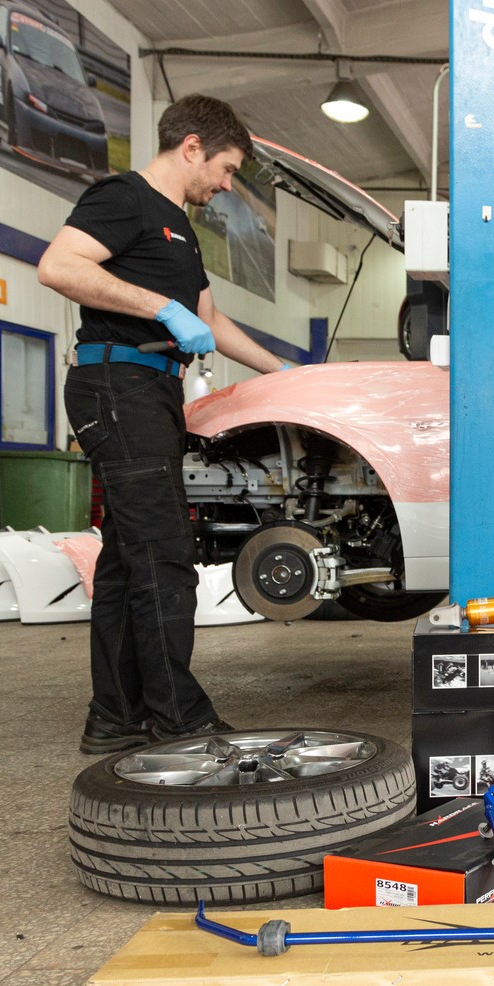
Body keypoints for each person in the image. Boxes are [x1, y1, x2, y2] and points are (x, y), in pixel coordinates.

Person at [38, 94, 291, 754]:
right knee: (164, 553)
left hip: (150, 390)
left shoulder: (179, 226)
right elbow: (58, 266)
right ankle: (178, 717)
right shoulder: (124, 197)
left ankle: (115, 715)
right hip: (116, 383)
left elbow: (210, 319)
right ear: (192, 148)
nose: (227, 185)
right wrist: (159, 308)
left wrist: (284, 372)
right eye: (227, 169)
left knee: (128, 560)